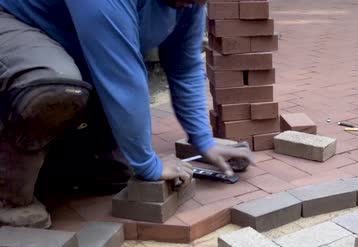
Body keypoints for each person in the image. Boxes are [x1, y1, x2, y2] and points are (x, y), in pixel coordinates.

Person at [0, 0, 253, 229]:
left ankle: (62, 164)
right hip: (13, 22)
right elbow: (122, 75)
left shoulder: (188, 5)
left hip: (69, 35)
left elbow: (185, 67)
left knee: (115, 171)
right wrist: (147, 162)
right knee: (54, 89)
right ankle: (9, 200)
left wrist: (203, 140)